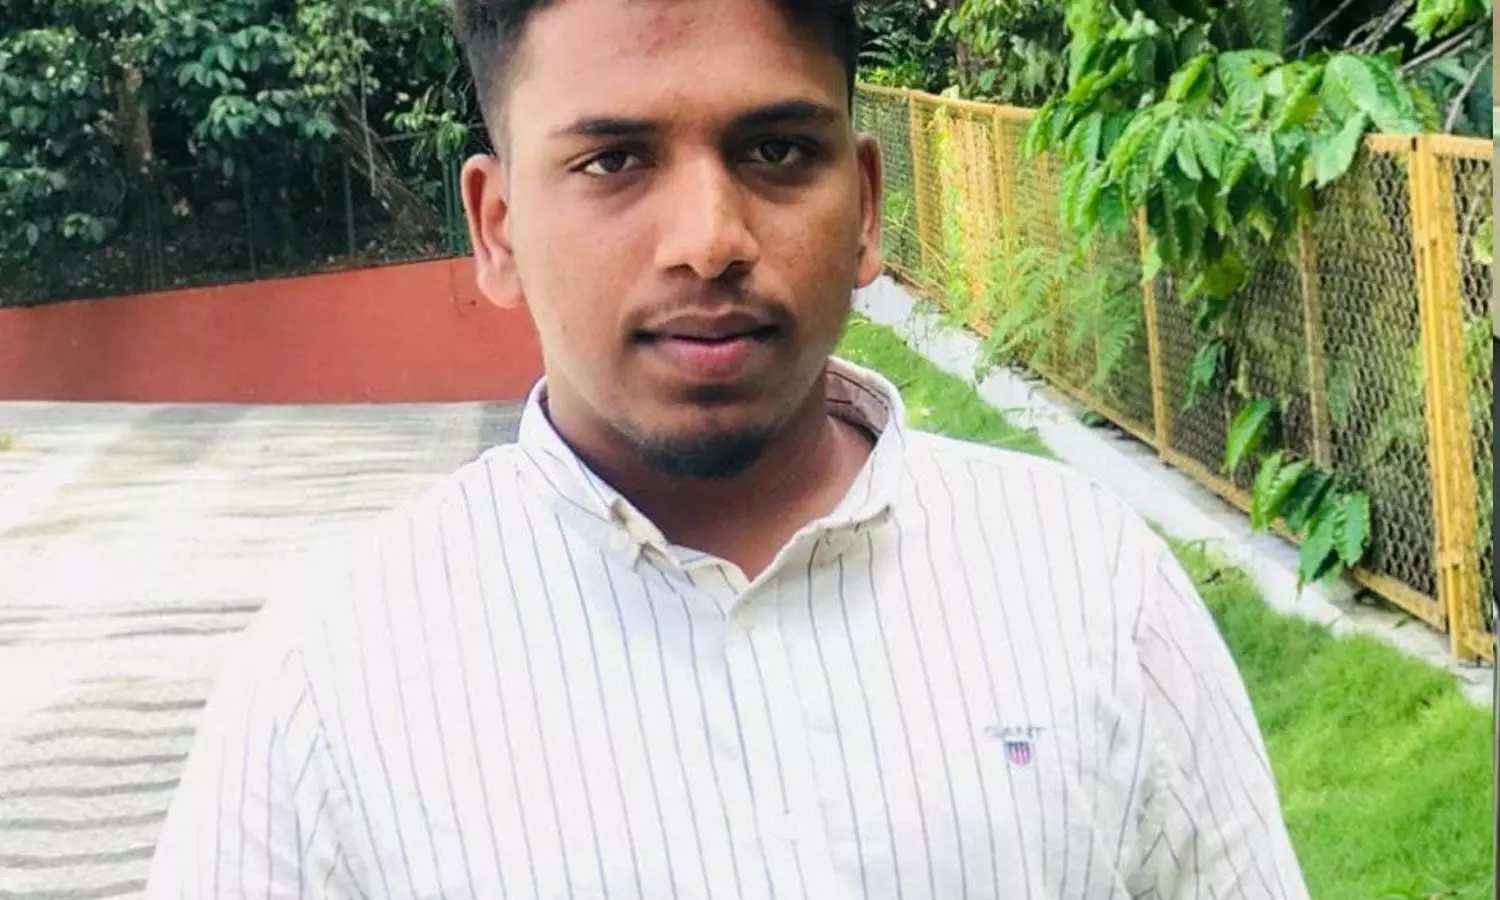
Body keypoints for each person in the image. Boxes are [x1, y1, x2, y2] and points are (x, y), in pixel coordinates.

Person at [146, 0, 1310, 896]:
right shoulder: (328, 686)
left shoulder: (1089, 587)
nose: (709, 240)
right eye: (614, 161)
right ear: (496, 229)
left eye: (776, 152)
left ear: (865, 204)